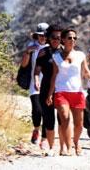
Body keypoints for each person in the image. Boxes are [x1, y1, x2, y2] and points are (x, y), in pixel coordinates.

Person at [47, 28, 90, 156]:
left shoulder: (80, 55)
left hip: (78, 92)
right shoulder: (56, 57)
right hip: (61, 92)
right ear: (63, 39)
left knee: (79, 124)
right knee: (65, 117)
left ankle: (76, 141)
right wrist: (49, 94)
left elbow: (85, 71)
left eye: (74, 38)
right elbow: (54, 76)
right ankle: (68, 148)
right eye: (69, 38)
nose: (72, 40)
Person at [33, 24, 64, 155]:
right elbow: (36, 70)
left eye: (59, 37)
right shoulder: (43, 52)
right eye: (53, 37)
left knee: (63, 117)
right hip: (46, 87)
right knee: (48, 118)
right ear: (48, 38)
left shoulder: (65, 52)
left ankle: (64, 147)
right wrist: (36, 80)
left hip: (62, 87)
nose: (56, 40)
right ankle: (50, 147)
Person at [19, 22, 48, 144]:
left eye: (45, 35)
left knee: (47, 111)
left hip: (48, 83)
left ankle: (45, 138)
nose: (43, 37)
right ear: (37, 36)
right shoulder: (32, 46)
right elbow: (24, 65)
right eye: (40, 35)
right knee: (37, 109)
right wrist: (27, 52)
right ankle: (36, 129)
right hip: (33, 83)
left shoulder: (52, 47)